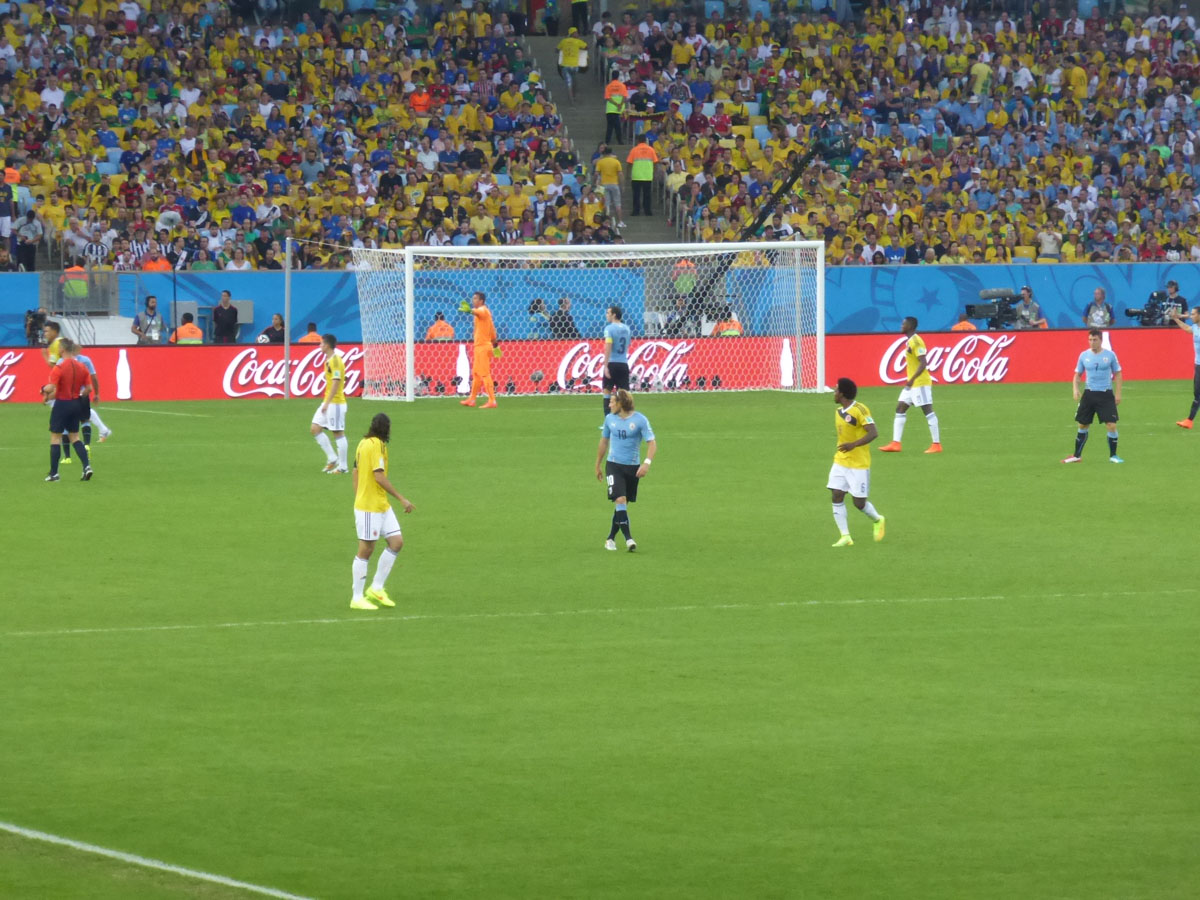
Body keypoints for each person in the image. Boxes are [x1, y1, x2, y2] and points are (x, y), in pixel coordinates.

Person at [350, 412, 415, 610]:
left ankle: (376, 588)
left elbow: (355, 470)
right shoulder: (376, 445)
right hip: (370, 507)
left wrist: (358, 495)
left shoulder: (362, 443)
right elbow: (378, 476)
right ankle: (357, 598)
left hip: (381, 505)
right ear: (386, 429)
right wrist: (401, 498)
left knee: (396, 542)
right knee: (366, 549)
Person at [595, 388, 656, 551]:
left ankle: (610, 538)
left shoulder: (640, 420)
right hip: (613, 465)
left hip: (632, 468)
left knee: (621, 505)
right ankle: (629, 539)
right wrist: (598, 464)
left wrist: (646, 463)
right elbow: (604, 442)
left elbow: (652, 443)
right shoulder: (609, 419)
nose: (609, 405)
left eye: (612, 402)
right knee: (620, 499)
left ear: (620, 403)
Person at [828, 376, 885, 547]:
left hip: (859, 464)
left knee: (859, 503)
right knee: (836, 494)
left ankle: (878, 519)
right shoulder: (838, 411)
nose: (834, 392)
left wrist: (854, 444)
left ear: (842, 394)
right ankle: (845, 536)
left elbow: (873, 432)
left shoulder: (860, 409)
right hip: (841, 461)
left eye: (836, 389)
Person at [879, 316, 942, 453]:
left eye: (904, 324)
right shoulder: (910, 341)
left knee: (927, 410)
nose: (901, 326)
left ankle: (936, 444)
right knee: (900, 408)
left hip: (920, 383)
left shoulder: (916, 341)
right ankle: (896, 443)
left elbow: (923, 362)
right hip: (912, 385)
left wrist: (912, 379)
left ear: (910, 326)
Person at [1064, 328, 1123, 464]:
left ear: (1100, 340)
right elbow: (1077, 375)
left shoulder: (1110, 355)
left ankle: (1113, 455)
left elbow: (1118, 374)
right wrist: (1075, 389)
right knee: (1082, 425)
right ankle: (1077, 455)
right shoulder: (1084, 355)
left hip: (1105, 394)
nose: (1092, 342)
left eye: (1094, 340)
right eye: (1090, 340)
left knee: (1111, 425)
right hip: (1089, 394)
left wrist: (1118, 393)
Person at [42, 338, 93, 482]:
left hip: (62, 404)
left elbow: (51, 388)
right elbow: (89, 388)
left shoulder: (59, 367)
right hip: (76, 403)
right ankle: (87, 466)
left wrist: (43, 390)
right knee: (75, 437)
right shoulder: (82, 367)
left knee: (55, 437)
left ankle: (54, 474)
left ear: (62, 350)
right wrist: (79, 396)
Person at [312, 333, 349, 473]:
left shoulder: (335, 361)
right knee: (315, 428)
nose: (319, 345)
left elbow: (336, 381)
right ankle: (332, 458)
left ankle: (343, 466)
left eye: (321, 343)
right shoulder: (328, 360)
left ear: (327, 345)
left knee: (338, 433)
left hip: (336, 403)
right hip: (328, 402)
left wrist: (327, 403)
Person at [458, 291, 498, 408]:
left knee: (485, 374)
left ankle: (492, 400)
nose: (473, 300)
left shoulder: (483, 310)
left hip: (483, 347)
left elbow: (478, 312)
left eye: (475, 298)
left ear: (481, 301)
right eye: (473, 298)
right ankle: (472, 399)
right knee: (476, 374)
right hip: (481, 346)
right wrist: (496, 346)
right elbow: (492, 331)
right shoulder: (486, 316)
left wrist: (470, 311)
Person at [73, 345, 113, 447]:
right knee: (83, 412)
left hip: (78, 392)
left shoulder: (81, 360)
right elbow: (93, 377)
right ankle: (103, 430)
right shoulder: (85, 360)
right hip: (80, 392)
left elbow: (93, 377)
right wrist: (96, 393)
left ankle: (70, 442)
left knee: (79, 414)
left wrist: (96, 393)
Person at [1168, 305, 1200, 428]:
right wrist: (1176, 319)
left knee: (1198, 394)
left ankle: (1189, 420)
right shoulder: (1195, 327)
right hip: (1198, 365)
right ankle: (1189, 421)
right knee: (1197, 393)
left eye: (1193, 314)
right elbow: (1187, 328)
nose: (1191, 316)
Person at [601, 304, 631, 415]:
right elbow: (628, 344)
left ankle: (608, 419)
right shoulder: (627, 329)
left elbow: (608, 346)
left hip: (612, 364)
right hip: (623, 364)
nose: (606, 315)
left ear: (614, 315)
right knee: (623, 394)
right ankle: (624, 418)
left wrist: (605, 365)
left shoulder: (609, 329)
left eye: (608, 313)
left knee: (607, 391)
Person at [626, 135, 659, 216]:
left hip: (636, 176)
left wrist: (628, 174)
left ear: (638, 141)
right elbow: (655, 162)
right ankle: (647, 211)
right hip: (647, 176)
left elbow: (629, 163)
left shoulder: (634, 150)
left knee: (636, 195)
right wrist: (655, 173)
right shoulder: (651, 150)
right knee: (647, 195)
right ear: (645, 140)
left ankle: (636, 211)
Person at [557, 27, 588, 104]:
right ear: (573, 34)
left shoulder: (563, 41)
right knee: (574, 80)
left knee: (568, 82)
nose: (577, 34)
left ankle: (571, 99)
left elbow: (557, 49)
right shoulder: (578, 41)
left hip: (565, 65)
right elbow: (586, 47)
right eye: (576, 33)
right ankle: (574, 96)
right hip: (574, 66)